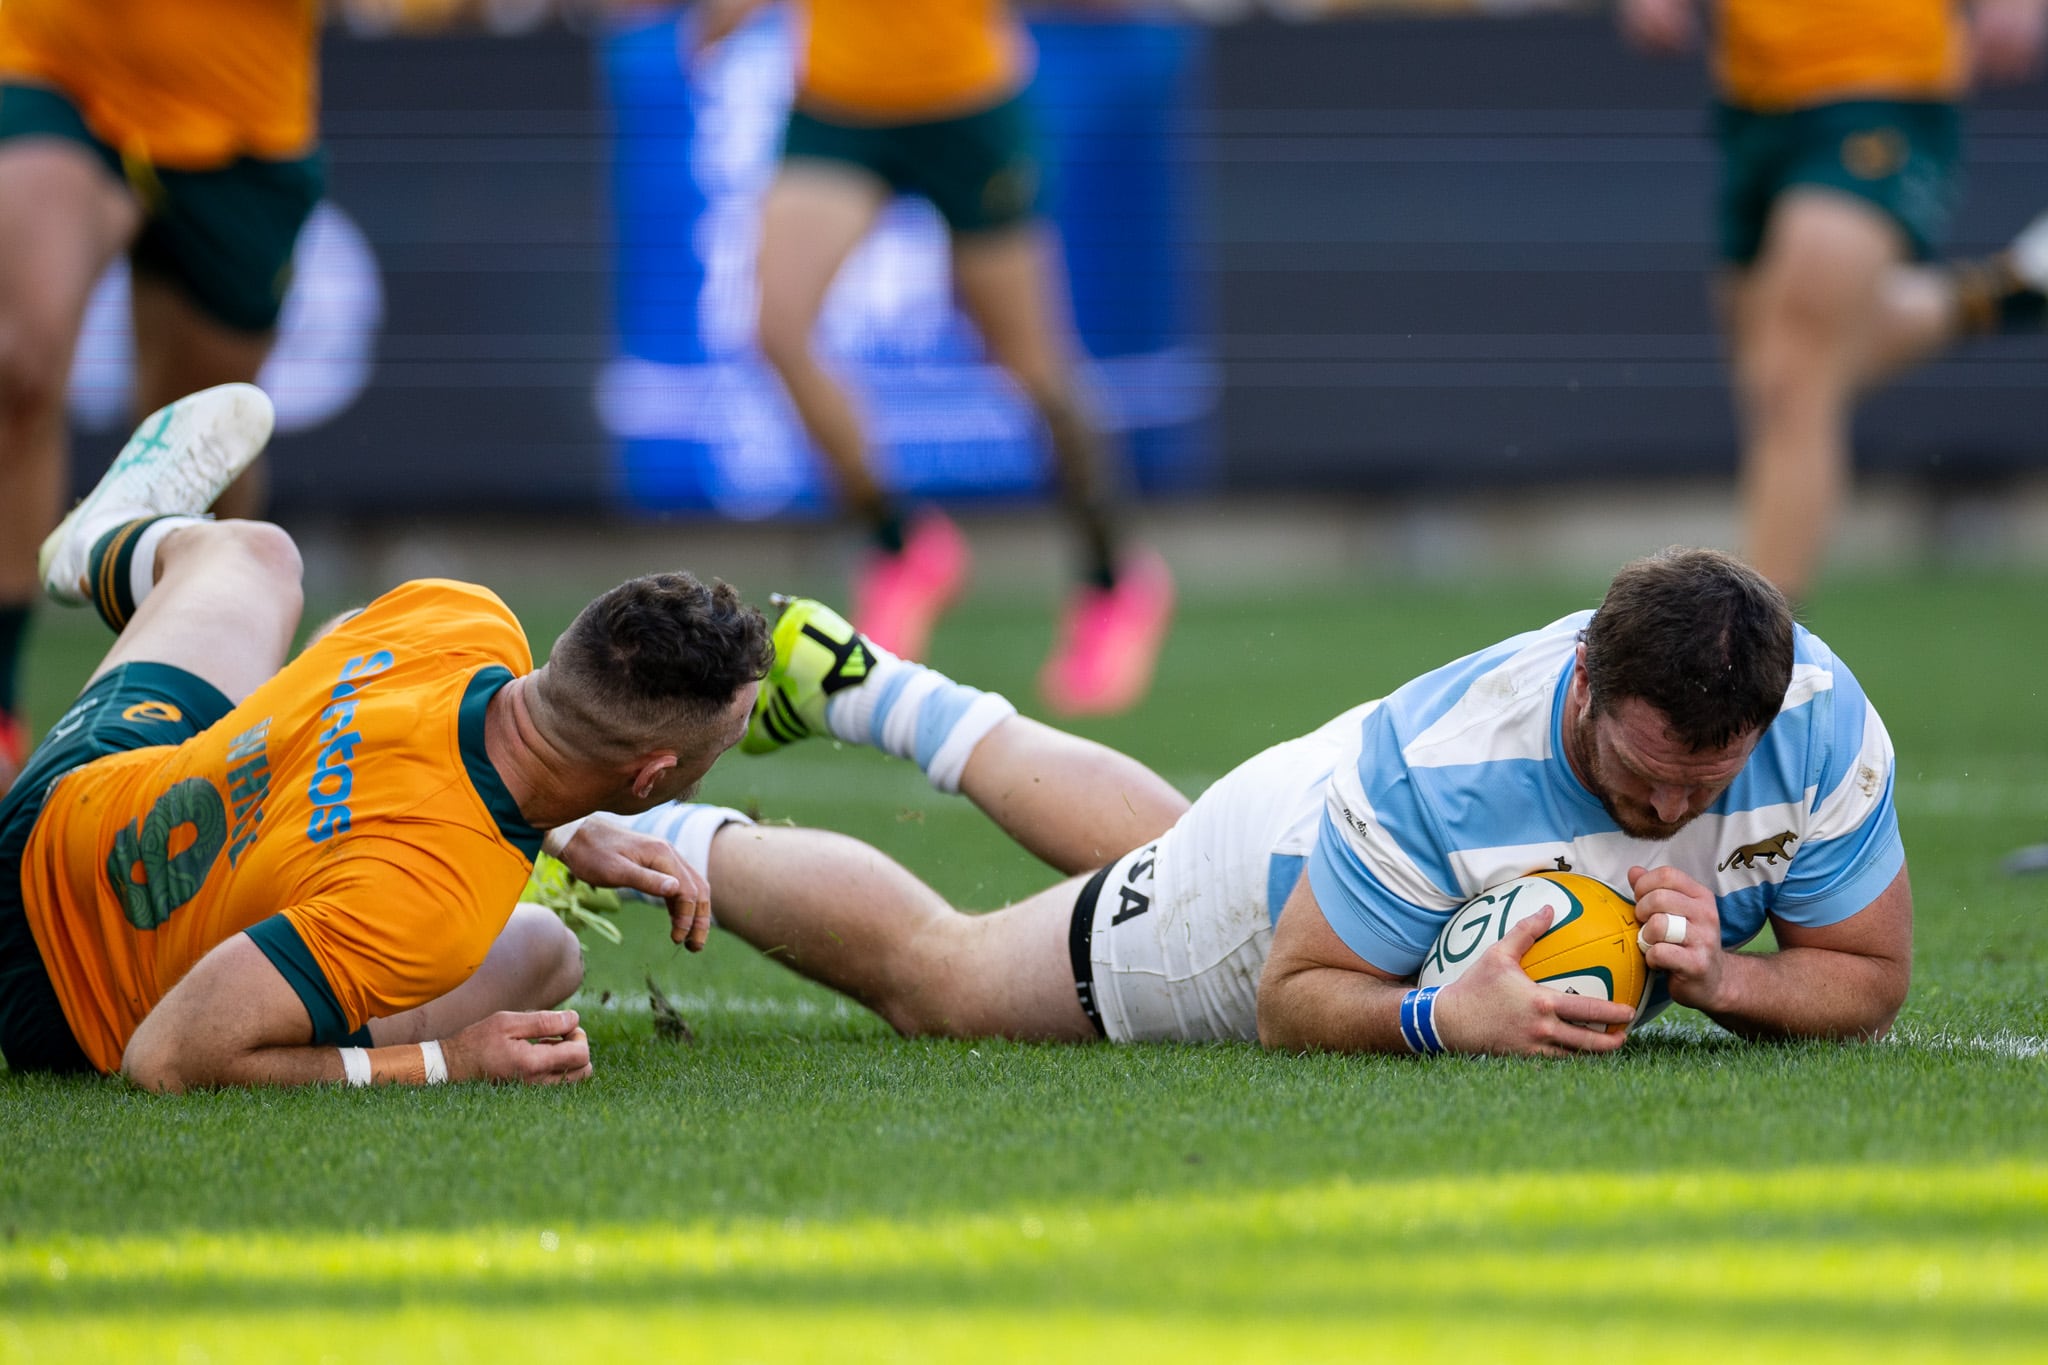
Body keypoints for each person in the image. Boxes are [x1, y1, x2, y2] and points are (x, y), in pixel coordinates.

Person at [569, 548, 1911, 1055]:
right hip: (1276, 883)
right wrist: (1447, 1019)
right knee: (953, 980)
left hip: (1332, 826)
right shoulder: (1440, 770)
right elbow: (1289, 993)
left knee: (1156, 841)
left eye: (1708, 784)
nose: (1672, 812)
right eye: (1638, 777)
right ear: (1582, 687)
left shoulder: (1819, 719)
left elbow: (1869, 969)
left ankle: (857, 685)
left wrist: (1731, 982)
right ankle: (647, 836)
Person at [0, 383, 774, 1089]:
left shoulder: (467, 617)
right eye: (728, 734)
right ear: (650, 775)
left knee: (254, 553)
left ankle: (111, 539)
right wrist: (448, 1061)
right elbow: (164, 1056)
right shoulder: (433, 905)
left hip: (76, 799)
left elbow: (341, 640)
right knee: (543, 950)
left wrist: (562, 829)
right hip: (63, 1000)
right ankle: (101, 534)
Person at [689, 0, 1174, 713]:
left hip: (965, 103)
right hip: (838, 102)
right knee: (778, 328)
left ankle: (1112, 579)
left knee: (1034, 368)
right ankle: (901, 544)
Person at [0, 0, 342, 797]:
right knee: (18, 361)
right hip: (57, 64)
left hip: (240, 106)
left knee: (210, 433)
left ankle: (224, 710)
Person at [1618, 0, 2048, 603]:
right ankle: (2000, 296)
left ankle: (1761, 649)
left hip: (1881, 77)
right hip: (1754, 94)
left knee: (1792, 376)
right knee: (1773, 381)